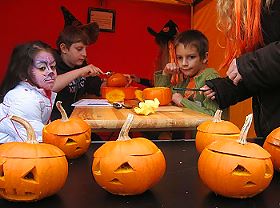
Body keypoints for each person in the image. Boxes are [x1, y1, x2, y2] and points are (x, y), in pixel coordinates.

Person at [202, 0, 280, 138]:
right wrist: (225, 88)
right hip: (270, 133)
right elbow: (268, 74)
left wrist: (248, 65)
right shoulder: (255, 8)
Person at [51, 6, 104, 121]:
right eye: (79, 49)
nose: (85, 54)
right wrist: (80, 72)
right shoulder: (50, 63)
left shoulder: (82, 65)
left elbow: (97, 88)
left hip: (77, 120)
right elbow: (51, 86)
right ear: (64, 48)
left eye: (85, 49)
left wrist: (114, 79)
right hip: (55, 124)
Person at [0, 41, 57, 143]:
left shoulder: (40, 93)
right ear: (23, 75)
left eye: (52, 66)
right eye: (42, 68)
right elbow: (35, 140)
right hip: (9, 153)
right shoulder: (24, 99)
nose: (51, 72)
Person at [155, 29, 219, 116]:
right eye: (180, 58)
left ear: (204, 57)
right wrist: (165, 74)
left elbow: (214, 115)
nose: (184, 63)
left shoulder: (211, 78)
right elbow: (161, 97)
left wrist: (183, 101)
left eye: (191, 57)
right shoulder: (186, 80)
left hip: (206, 129)